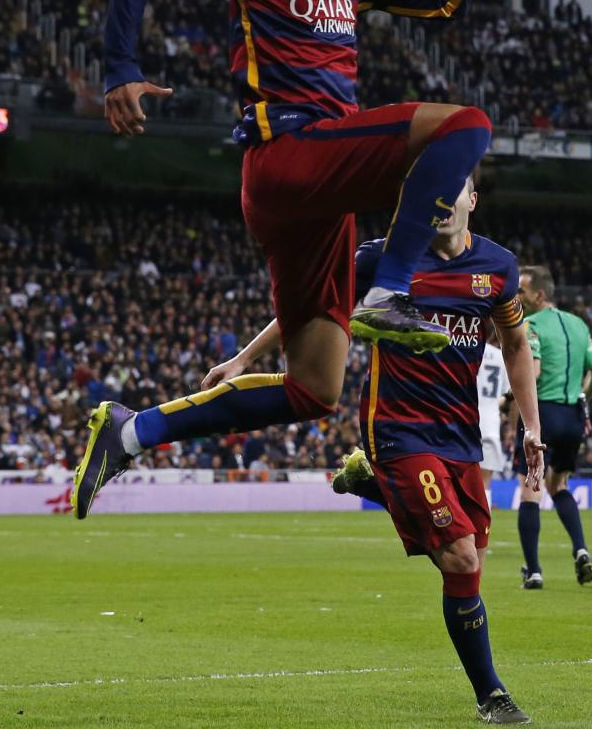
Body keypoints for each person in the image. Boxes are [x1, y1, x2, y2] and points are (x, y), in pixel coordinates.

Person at [72, 0, 517, 518]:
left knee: (314, 388)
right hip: (293, 152)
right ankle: (390, 289)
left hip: (314, 193)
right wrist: (120, 70)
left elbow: (439, 1)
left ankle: (132, 431)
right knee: (467, 126)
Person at [220, 176, 543, 724]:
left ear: (472, 200)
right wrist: (245, 358)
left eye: (455, 190)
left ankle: (372, 483)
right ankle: (492, 695)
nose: (444, 202)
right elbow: (310, 303)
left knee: (468, 571)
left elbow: (514, 345)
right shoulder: (385, 261)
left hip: (460, 435)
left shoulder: (497, 269)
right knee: (461, 556)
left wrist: (531, 426)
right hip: (398, 426)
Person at [510, 265, 592, 589]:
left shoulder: (530, 325)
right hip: (573, 417)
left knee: (530, 490)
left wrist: (509, 397)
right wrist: (583, 398)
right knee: (559, 485)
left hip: (543, 414)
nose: (517, 296)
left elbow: (532, 374)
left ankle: (534, 571)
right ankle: (580, 548)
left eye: (521, 291)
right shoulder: (579, 325)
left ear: (540, 294)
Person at [477, 339, 509, 501]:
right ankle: (484, 526)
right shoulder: (499, 356)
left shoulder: (468, 350)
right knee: (485, 483)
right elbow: (507, 394)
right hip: (490, 424)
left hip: (465, 420)